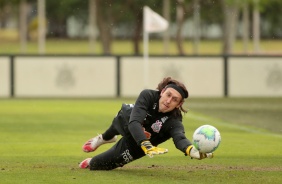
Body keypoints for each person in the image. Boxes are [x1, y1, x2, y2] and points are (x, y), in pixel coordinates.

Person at [79, 77, 213, 170]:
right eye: (168, 95)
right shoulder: (148, 95)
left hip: (142, 144)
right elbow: (134, 122)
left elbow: (180, 137)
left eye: (174, 99)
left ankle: (94, 160)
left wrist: (190, 150)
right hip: (134, 127)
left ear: (179, 104)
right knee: (125, 117)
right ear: (162, 92)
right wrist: (144, 141)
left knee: (98, 164)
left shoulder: (174, 120)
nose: (168, 101)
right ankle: (104, 138)